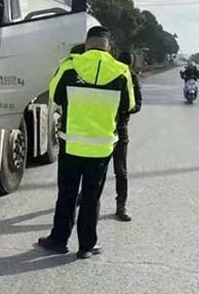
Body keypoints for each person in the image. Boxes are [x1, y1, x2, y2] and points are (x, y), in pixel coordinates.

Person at [38, 26, 135, 259]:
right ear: (108, 47)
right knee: (92, 197)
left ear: (86, 44)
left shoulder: (70, 66)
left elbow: (54, 95)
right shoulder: (122, 71)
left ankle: (58, 240)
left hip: (71, 144)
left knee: (67, 193)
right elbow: (128, 106)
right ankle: (87, 246)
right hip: (101, 147)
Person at [113, 51, 143, 222]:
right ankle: (121, 206)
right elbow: (138, 104)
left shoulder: (131, 78)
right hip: (113, 127)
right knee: (120, 170)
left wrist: (124, 108)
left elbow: (136, 104)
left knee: (117, 169)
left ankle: (121, 205)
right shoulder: (113, 74)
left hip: (117, 127)